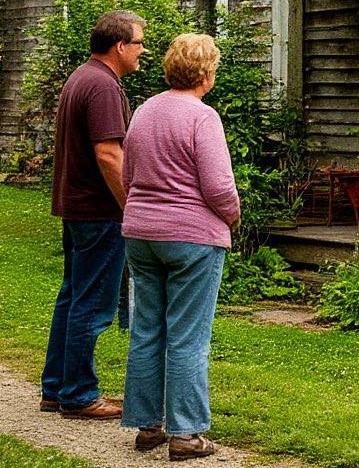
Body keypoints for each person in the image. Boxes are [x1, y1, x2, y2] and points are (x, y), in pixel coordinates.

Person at [120, 33, 240, 461]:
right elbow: (218, 185)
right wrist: (232, 216)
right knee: (188, 336)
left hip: (140, 232)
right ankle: (186, 435)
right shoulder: (202, 116)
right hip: (191, 236)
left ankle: (147, 425)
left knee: (147, 328)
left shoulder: (145, 111)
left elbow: (127, 176)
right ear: (206, 74)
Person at [41, 10, 146, 420]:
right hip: (99, 210)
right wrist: (130, 206)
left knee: (71, 297)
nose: (142, 52)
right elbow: (108, 152)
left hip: (77, 206)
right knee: (93, 304)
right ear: (120, 46)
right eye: (138, 44)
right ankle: (80, 394)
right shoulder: (103, 86)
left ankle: (56, 387)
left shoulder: (82, 76)